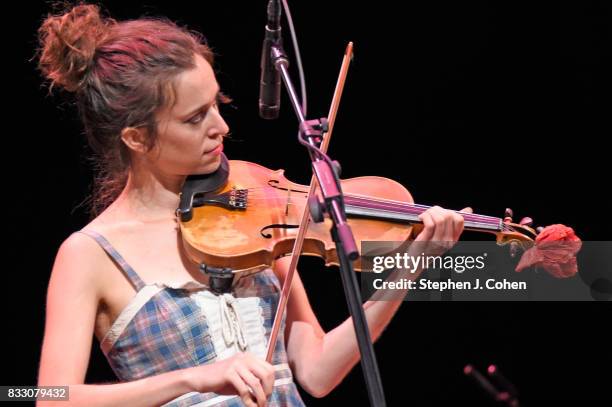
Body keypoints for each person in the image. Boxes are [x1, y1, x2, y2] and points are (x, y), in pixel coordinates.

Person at [36, 4, 468, 406]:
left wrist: (408, 269)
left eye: (216, 104)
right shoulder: (90, 253)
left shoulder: (251, 211)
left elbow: (317, 372)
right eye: (194, 118)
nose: (220, 126)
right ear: (136, 137)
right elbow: (36, 395)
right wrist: (192, 379)